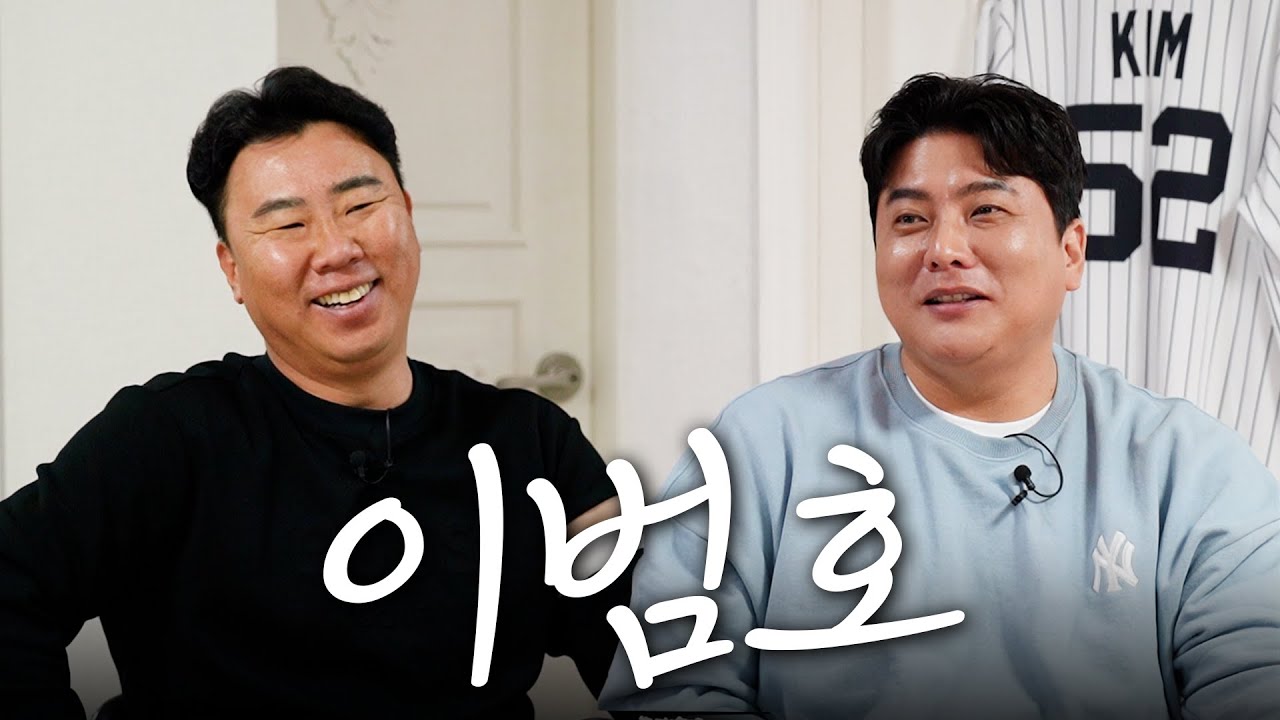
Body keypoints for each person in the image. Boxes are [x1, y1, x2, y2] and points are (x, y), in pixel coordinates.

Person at [599, 73, 1280, 719]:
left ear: (1071, 250)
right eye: (909, 219)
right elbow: (671, 691)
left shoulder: (1188, 468)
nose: (944, 249)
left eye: (986, 210)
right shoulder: (759, 448)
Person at [0, 66, 624, 719]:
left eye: (359, 207)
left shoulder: (530, 442)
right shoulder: (168, 435)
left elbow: (652, 652)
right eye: (288, 225)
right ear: (233, 270)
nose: (335, 248)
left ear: (408, 216)